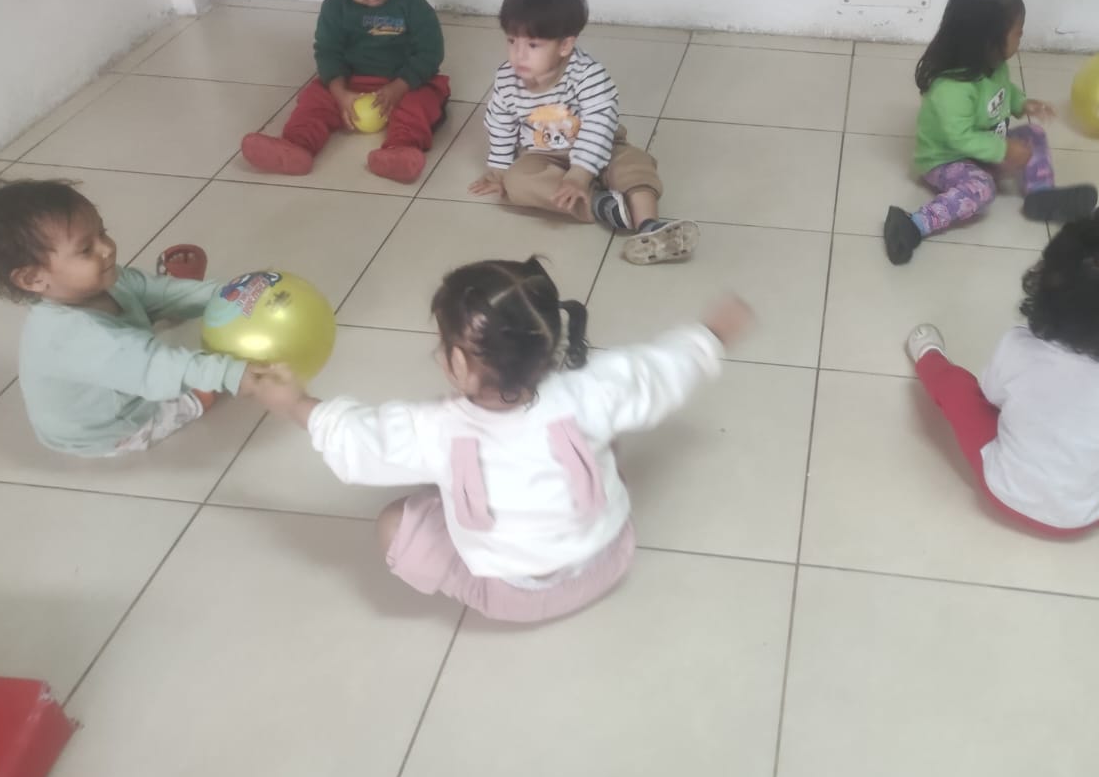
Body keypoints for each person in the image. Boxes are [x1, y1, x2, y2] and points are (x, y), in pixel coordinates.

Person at [247, 257, 752, 622]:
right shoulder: (590, 391)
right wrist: (710, 335)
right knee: (603, 433)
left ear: (457, 363)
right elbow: (657, 372)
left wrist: (294, 402)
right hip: (607, 559)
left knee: (394, 521)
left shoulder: (433, 430)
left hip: (511, 598)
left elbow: (357, 439)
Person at [904, 208, 1099, 533]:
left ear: (1042, 282)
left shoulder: (1017, 344)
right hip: (1076, 518)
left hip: (1000, 490)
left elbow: (991, 397)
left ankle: (927, 354)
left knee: (958, 389)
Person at [0, 179, 268, 457]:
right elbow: (157, 368)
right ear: (33, 279)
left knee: (153, 300)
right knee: (202, 384)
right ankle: (195, 393)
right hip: (109, 429)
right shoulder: (77, 338)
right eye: (86, 249)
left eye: (102, 233)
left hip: (121, 358)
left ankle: (158, 314)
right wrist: (234, 374)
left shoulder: (105, 280)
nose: (106, 249)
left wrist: (235, 294)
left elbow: (161, 291)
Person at [471, 0, 698, 265]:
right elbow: (500, 121)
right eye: (512, 41)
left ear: (565, 45)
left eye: (533, 45)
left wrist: (580, 173)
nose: (519, 54)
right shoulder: (507, 78)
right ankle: (604, 207)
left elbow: (600, 124)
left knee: (633, 164)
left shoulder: (587, 74)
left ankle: (649, 226)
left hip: (602, 145)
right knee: (517, 183)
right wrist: (500, 168)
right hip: (543, 155)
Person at [883, 0, 1097, 265]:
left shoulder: (994, 65)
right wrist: (1003, 150)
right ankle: (915, 224)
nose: (1021, 36)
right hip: (945, 159)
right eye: (1017, 32)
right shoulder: (951, 89)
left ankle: (1040, 195)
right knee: (982, 188)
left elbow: (1002, 91)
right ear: (989, 40)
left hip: (986, 146)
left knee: (1034, 134)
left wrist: (1021, 103)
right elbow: (960, 137)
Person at [240, 0, 450, 184]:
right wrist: (339, 92)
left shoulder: (413, 5)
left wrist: (399, 87)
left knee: (421, 104)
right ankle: (296, 145)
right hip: (352, 82)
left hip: (405, 82)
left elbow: (430, 52)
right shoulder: (334, 7)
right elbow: (328, 51)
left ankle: (401, 150)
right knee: (314, 100)